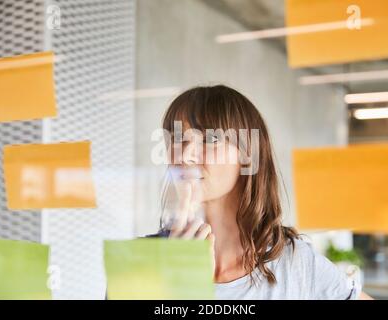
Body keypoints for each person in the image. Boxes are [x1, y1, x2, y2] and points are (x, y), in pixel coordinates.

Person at [154, 84, 372, 300]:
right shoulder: (143, 262)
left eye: (210, 139)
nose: (185, 155)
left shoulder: (297, 266)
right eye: (177, 138)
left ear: (249, 154)